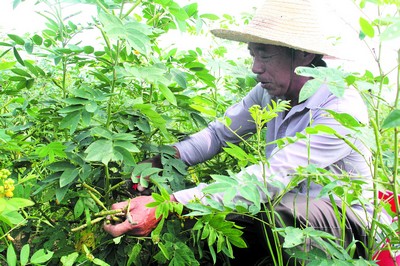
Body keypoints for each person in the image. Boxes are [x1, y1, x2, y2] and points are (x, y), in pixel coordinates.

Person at [104, 0, 388, 264]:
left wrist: (170, 203)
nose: (255, 67)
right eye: (253, 54)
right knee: (231, 211)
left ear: (303, 53)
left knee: (271, 211)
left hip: (350, 224)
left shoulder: (340, 105)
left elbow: (273, 177)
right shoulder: (269, 93)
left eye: (264, 54)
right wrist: (167, 158)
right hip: (290, 210)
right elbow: (218, 134)